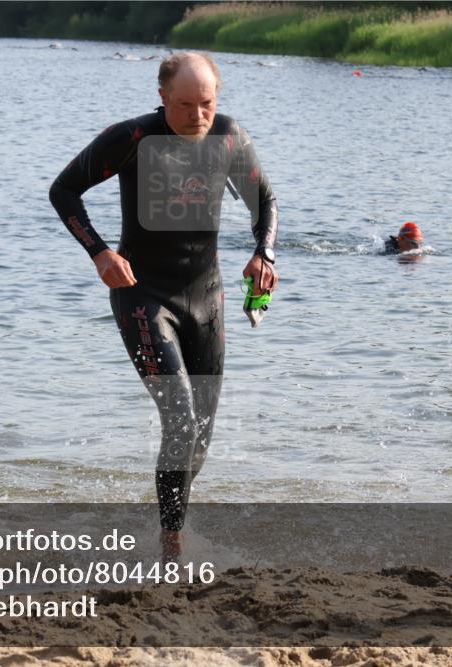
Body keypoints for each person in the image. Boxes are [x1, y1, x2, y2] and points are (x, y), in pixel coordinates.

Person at [49, 52, 279, 561]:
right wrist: (99, 252)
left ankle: (172, 515)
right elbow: (63, 190)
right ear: (161, 98)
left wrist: (263, 252)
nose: (197, 115)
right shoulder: (132, 139)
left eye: (207, 103)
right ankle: (172, 544)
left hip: (207, 297)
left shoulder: (228, 137)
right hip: (143, 294)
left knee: (201, 432)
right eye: (184, 105)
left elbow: (264, 201)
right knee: (180, 419)